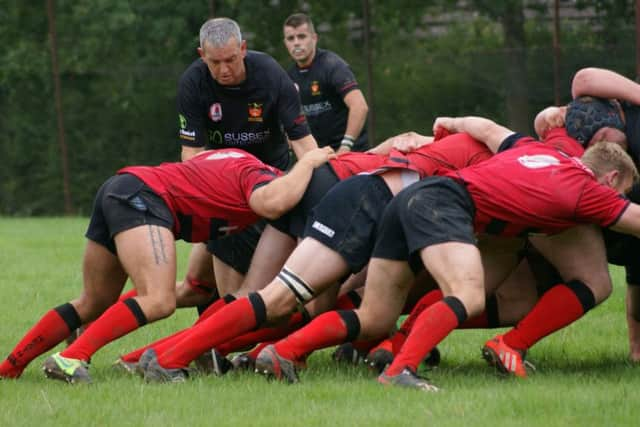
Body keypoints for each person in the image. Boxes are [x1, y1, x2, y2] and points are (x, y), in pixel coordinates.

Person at [250, 116, 639, 391]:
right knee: (467, 294)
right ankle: (400, 371)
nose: (614, 200)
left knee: (374, 316)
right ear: (611, 179)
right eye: (620, 191)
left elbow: (485, 127)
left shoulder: (533, 149)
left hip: (410, 198)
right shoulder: (590, 191)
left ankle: (284, 353)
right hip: (444, 203)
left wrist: (447, 120)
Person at [134, 129, 503, 383]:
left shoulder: (455, 143)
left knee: (276, 300)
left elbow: (405, 142)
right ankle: (172, 358)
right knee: (284, 301)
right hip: (354, 195)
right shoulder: (494, 158)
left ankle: (153, 354)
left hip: (337, 184)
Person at [0, 146, 333, 383]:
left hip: (121, 188)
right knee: (158, 300)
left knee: (94, 301)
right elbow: (274, 201)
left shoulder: (234, 168)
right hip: (144, 199)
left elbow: (198, 281)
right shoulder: (259, 176)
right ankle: (71, 357)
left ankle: (8, 370)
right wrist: (308, 163)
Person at [176, 17, 319, 311]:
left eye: (230, 59)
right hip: (222, 187)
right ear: (202, 56)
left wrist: (323, 189)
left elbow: (304, 143)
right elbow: (192, 156)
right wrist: (210, 202)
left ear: (243, 48)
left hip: (271, 185)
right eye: (215, 62)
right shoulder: (193, 83)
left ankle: (219, 344)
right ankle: (96, 317)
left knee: (258, 291)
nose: (224, 70)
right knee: (197, 287)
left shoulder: (271, 76)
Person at [283, 13, 369, 153]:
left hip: (350, 153)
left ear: (314, 38)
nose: (296, 42)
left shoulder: (333, 66)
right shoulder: (288, 77)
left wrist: (345, 147)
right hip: (319, 157)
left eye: (302, 36)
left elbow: (360, 106)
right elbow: (288, 123)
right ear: (285, 43)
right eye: (291, 38)